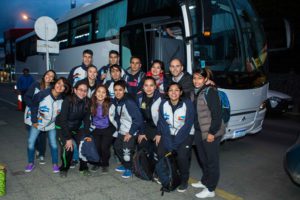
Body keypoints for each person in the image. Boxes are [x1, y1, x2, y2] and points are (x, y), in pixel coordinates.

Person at [190, 68, 225, 198]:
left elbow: (217, 114)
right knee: (203, 159)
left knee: (212, 161)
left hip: (211, 132)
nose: (196, 81)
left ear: (205, 79)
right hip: (199, 131)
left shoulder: (210, 91)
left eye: (199, 78)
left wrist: (212, 132)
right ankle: (205, 181)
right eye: (194, 78)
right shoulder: (196, 92)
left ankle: (211, 189)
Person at [25, 77, 70, 173]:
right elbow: (33, 106)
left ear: (65, 89)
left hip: (52, 125)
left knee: (53, 144)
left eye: (63, 86)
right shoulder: (43, 94)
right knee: (30, 142)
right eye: (59, 83)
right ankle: (30, 163)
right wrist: (34, 121)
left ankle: (55, 164)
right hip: (39, 123)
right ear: (55, 83)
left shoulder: (63, 99)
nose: (60, 87)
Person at [158, 82, 195, 192]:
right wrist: (169, 144)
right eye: (171, 90)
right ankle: (168, 175)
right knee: (161, 152)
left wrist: (174, 145)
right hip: (169, 134)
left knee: (182, 156)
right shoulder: (163, 104)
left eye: (176, 90)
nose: (173, 92)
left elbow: (187, 126)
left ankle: (184, 180)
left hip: (186, 134)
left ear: (181, 92)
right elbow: (163, 125)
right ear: (167, 93)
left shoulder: (187, 103)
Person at [55, 81, 91, 177]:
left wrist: (87, 135)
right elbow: (63, 120)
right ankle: (64, 168)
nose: (82, 92)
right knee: (68, 148)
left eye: (85, 91)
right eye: (80, 90)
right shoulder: (68, 100)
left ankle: (83, 167)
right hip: (63, 127)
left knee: (84, 144)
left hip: (77, 127)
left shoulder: (88, 101)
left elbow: (87, 120)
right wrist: (68, 138)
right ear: (75, 90)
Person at [109, 80, 143, 178]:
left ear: (124, 90)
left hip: (131, 131)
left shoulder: (128, 102)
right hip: (121, 130)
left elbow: (138, 119)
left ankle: (130, 168)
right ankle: (125, 165)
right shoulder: (116, 101)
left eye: (120, 90)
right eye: (115, 90)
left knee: (127, 152)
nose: (118, 92)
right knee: (117, 147)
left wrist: (131, 133)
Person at [24, 70, 57, 164]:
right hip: (31, 113)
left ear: (53, 79)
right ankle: (36, 151)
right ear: (44, 75)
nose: (49, 77)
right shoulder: (36, 84)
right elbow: (26, 97)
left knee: (42, 136)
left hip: (43, 117)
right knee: (33, 136)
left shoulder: (52, 89)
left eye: (52, 76)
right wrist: (34, 106)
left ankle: (41, 154)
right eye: (48, 74)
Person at [89, 85, 115, 173]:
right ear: (95, 94)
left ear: (106, 95)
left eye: (103, 92)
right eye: (99, 91)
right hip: (95, 129)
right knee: (97, 147)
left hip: (107, 129)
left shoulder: (110, 104)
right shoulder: (91, 103)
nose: (101, 94)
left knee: (104, 147)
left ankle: (105, 163)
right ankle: (97, 163)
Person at [137, 77, 162, 156]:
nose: (148, 88)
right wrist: (142, 132)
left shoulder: (161, 98)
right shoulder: (139, 97)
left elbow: (163, 119)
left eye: (151, 85)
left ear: (155, 87)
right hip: (146, 127)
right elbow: (139, 116)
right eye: (146, 85)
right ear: (143, 87)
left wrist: (159, 133)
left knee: (158, 149)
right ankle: (144, 167)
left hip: (158, 127)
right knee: (141, 145)